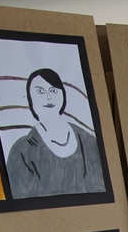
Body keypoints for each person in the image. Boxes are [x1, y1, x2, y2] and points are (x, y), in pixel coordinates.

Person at [6, 68, 105, 198]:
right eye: (40, 91)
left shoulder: (88, 141)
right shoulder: (21, 150)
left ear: (62, 94)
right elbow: (21, 201)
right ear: (30, 97)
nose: (48, 97)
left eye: (53, 90)